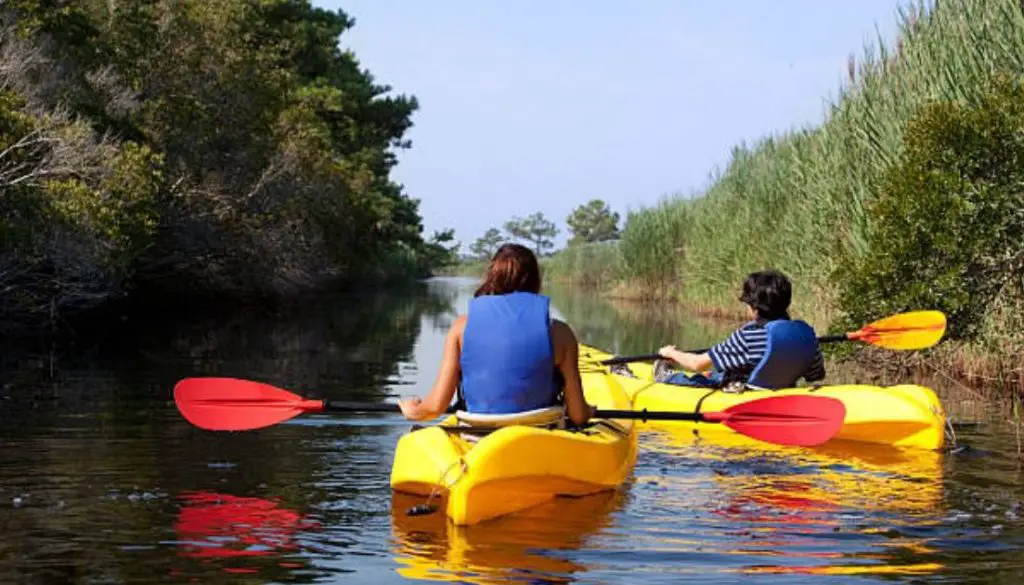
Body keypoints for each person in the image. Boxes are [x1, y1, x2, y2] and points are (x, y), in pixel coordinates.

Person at [397, 244, 596, 426]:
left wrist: (414, 409)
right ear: (535, 280)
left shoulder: (460, 328)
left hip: (477, 435)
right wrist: (587, 411)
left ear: (492, 278)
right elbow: (577, 415)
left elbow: (435, 407)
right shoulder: (561, 333)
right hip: (540, 435)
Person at [653, 270, 825, 391]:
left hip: (744, 394)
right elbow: (816, 375)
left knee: (697, 380)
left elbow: (697, 364)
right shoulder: (806, 334)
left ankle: (665, 376)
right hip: (781, 393)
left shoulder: (749, 335)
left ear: (755, 309)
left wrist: (670, 352)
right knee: (716, 373)